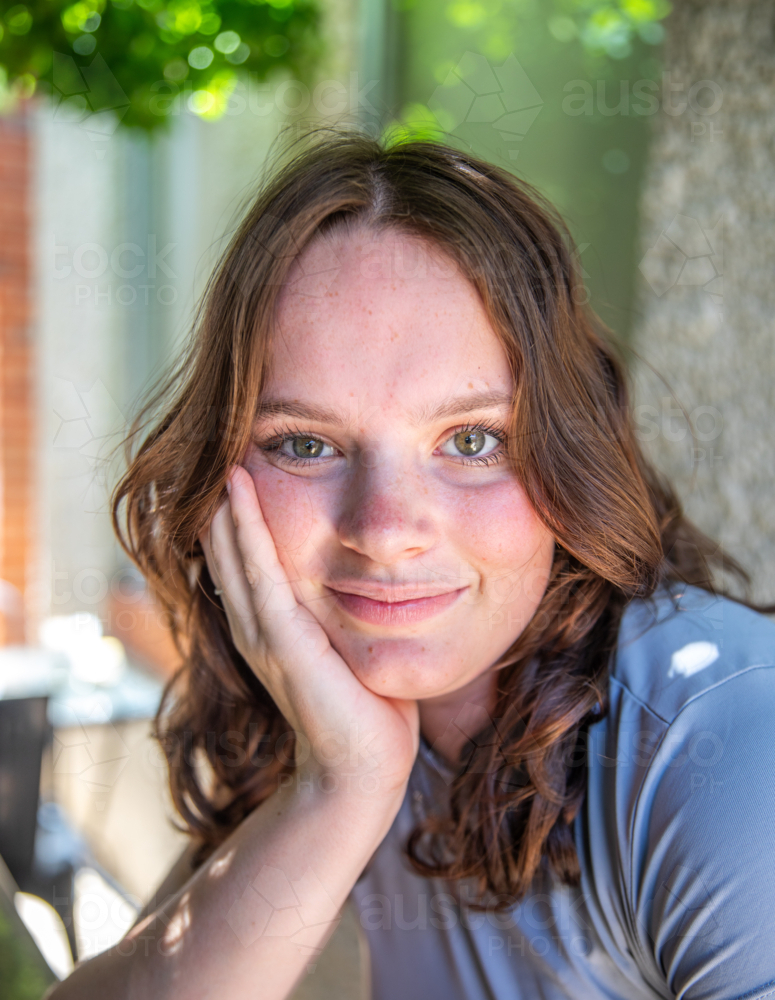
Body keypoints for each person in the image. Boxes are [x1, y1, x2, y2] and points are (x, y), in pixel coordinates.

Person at [48, 128, 775, 1000]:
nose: (385, 530)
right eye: (306, 444)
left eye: (471, 441)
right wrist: (344, 784)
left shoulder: (718, 742)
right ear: (222, 483)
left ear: (569, 452)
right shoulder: (320, 697)